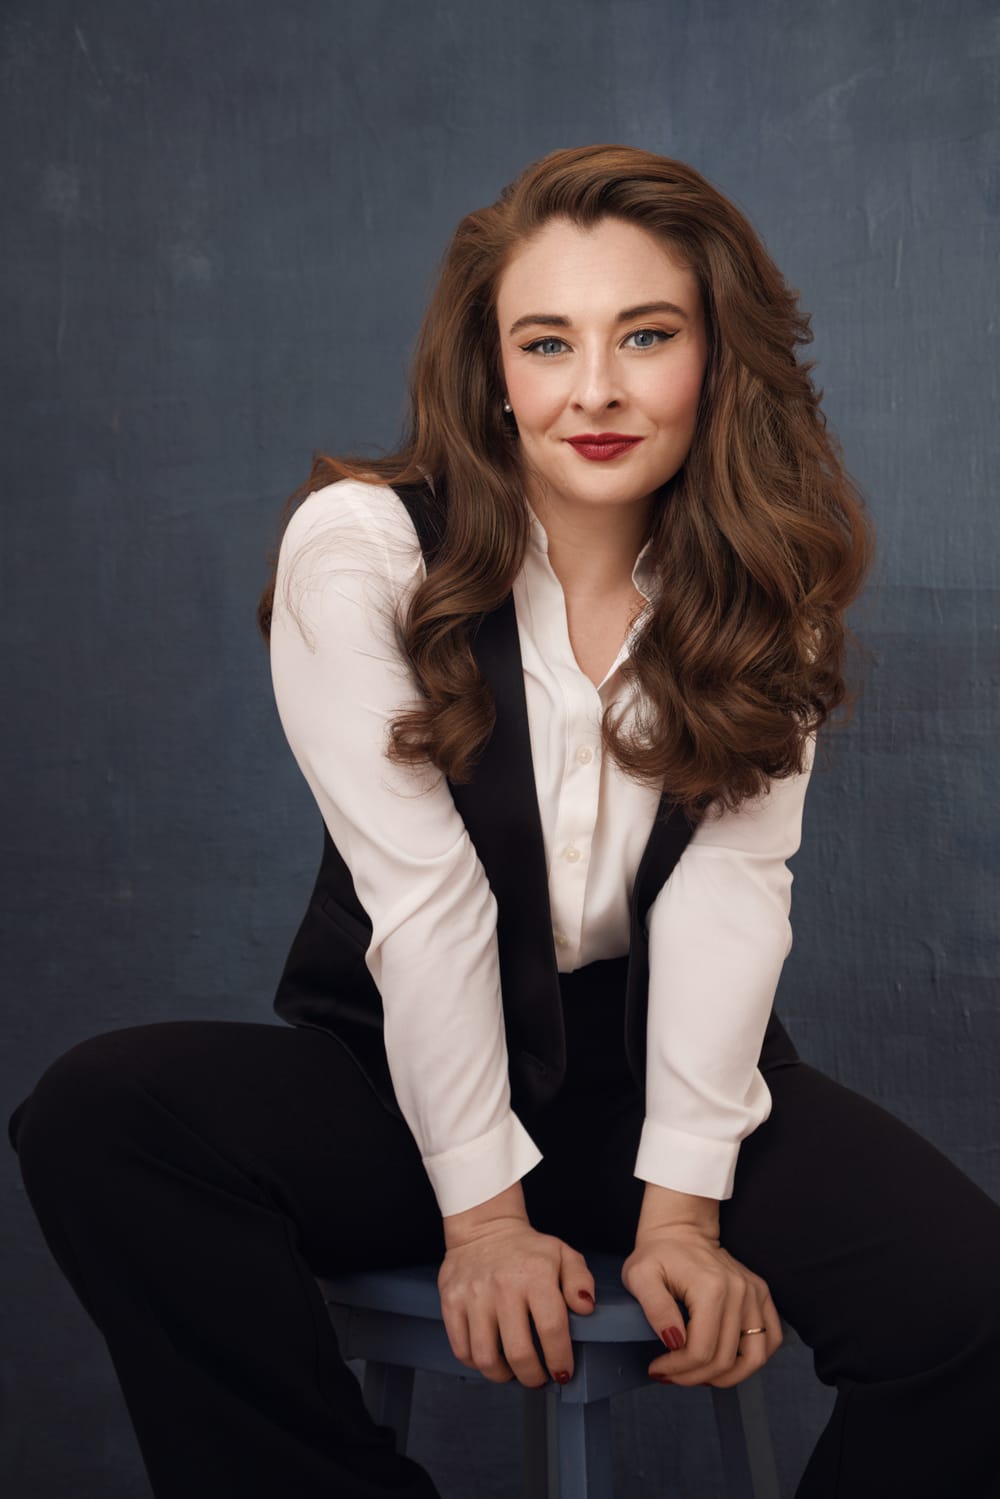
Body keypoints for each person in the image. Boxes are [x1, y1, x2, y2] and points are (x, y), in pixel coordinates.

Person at [8, 144, 1000, 1499]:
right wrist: (482, 1222)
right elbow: (424, 901)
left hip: (666, 1081)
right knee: (102, 1115)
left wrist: (684, 1212)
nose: (594, 390)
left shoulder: (771, 581)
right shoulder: (364, 549)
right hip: (402, 1083)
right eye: (548, 342)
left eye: (646, 336)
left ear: (719, 359)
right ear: (495, 372)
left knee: (972, 1309)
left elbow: (732, 894)